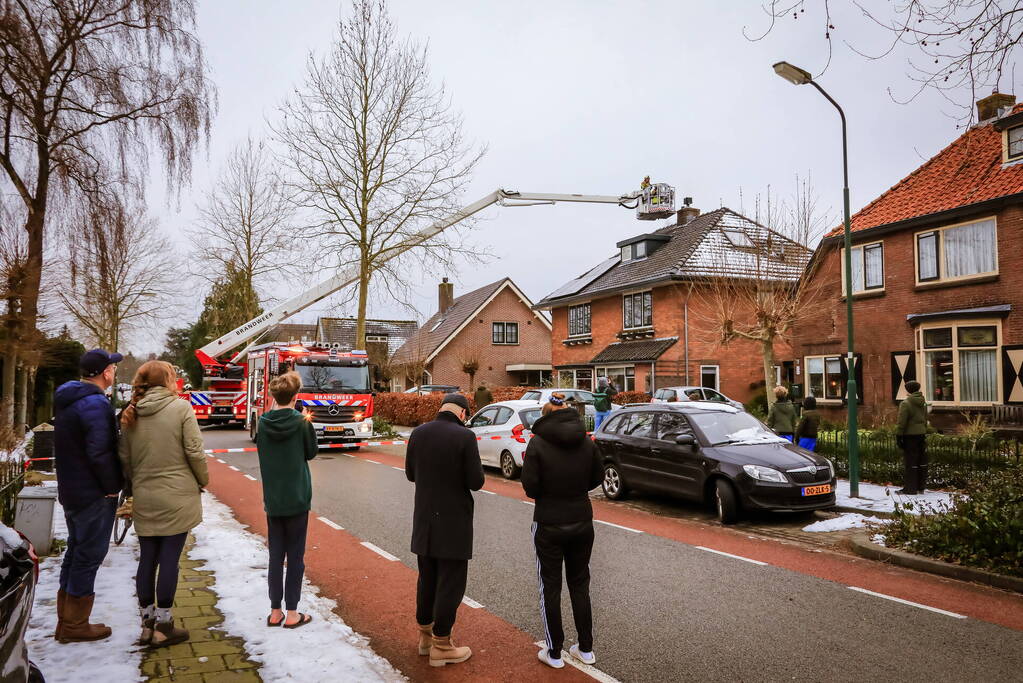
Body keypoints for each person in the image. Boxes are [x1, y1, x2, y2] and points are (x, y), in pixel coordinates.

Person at [119, 360, 208, 648]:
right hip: (177, 495)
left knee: (147, 558)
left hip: (145, 495)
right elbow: (194, 450)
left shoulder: (130, 414)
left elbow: (126, 460)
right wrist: (202, 479)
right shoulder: (181, 408)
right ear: (169, 379)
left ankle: (146, 624)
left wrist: (138, 485)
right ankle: (165, 625)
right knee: (171, 558)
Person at [521, 393, 603, 669]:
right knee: (580, 584)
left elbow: (530, 487)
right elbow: (598, 477)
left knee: (550, 586)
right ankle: (586, 649)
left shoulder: (538, 443)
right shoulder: (585, 440)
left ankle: (554, 652)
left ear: (545, 415)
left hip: (549, 522)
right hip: (582, 519)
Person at [405, 393, 484, 668]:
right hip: (453, 521)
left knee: (427, 578)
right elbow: (476, 481)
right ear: (463, 413)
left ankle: (425, 638)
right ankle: (442, 643)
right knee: (451, 582)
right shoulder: (465, 437)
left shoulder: (419, 433)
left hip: (425, 519)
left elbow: (410, 474)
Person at [53, 348, 124, 643]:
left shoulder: (71, 399)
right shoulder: (94, 405)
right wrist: (111, 486)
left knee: (75, 552)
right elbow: (99, 451)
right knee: (88, 556)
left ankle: (66, 620)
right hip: (92, 492)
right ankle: (75, 625)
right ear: (106, 373)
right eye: (113, 368)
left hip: (72, 489)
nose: (115, 372)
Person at [256, 371, 318, 629]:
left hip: (273, 497)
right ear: (295, 396)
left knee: (275, 555)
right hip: (297, 497)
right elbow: (311, 452)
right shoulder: (302, 422)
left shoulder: (262, 422)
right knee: (295, 556)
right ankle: (293, 613)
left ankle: (274, 611)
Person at [896, 380, 928, 495]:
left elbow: (902, 422)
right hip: (921, 434)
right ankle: (921, 487)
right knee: (921, 461)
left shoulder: (906, 403)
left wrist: (899, 435)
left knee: (911, 462)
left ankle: (910, 488)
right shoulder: (923, 402)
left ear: (908, 390)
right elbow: (925, 418)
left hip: (910, 436)